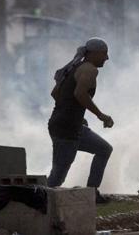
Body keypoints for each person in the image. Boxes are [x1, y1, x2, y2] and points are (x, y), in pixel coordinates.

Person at [47, 37, 114, 204]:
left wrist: (75, 113)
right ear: (94, 53)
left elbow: (56, 93)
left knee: (104, 149)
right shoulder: (89, 69)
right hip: (66, 128)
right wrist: (101, 115)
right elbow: (79, 93)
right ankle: (41, 200)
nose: (106, 58)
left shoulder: (73, 67)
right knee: (58, 176)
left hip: (70, 124)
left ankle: (92, 193)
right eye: (104, 54)